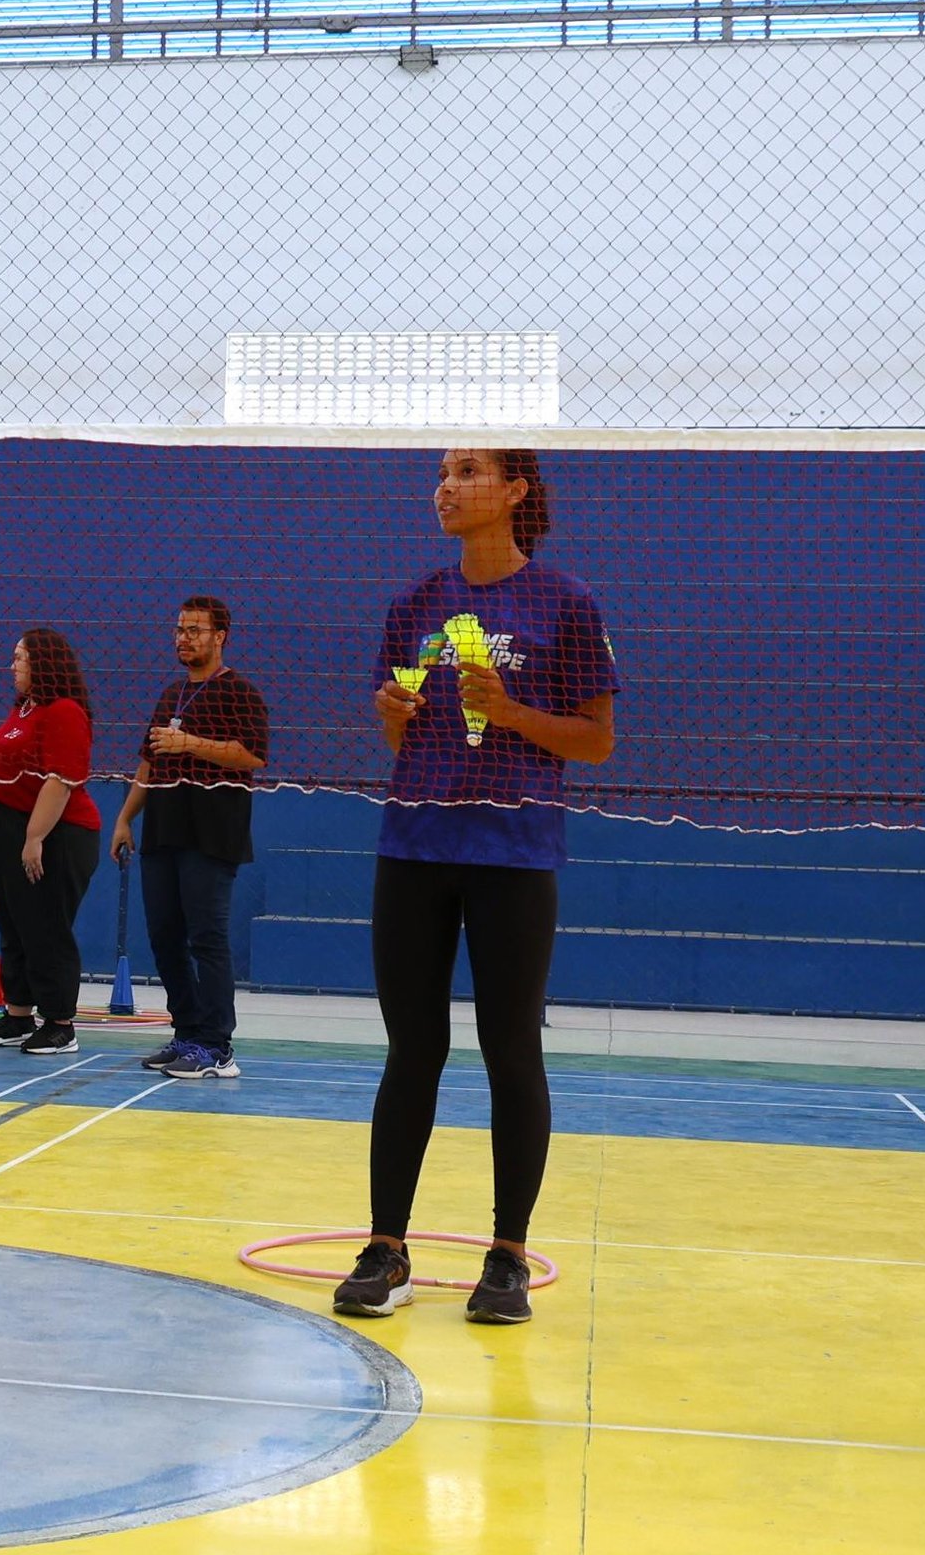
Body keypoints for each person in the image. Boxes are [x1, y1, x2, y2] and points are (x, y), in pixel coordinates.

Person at [336, 450, 619, 1329]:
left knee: (510, 1052)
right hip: (415, 842)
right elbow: (398, 734)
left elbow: (596, 741)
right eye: (443, 472)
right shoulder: (415, 602)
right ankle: (387, 1249)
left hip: (514, 852)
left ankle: (505, 1257)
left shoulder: (565, 604)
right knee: (409, 1051)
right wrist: (392, 719)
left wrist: (512, 714)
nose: (446, 487)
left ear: (515, 492)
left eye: (467, 471)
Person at [108, 595, 269, 1082]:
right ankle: (188, 1032)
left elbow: (253, 756)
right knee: (164, 937)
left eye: (195, 630)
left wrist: (191, 743)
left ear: (220, 636)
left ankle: (218, 1046)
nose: (184, 638)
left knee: (207, 937)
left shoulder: (239, 693)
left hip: (212, 835)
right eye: (180, 629)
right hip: (163, 831)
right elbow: (148, 762)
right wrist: (124, 819)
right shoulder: (170, 695)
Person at [0, 629, 100, 1059]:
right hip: (7, 837)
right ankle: (18, 1015)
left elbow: (60, 780)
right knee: (15, 926)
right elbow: (19, 757)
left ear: (42, 663)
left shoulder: (64, 711)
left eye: (19, 658)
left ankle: (60, 1024)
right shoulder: (26, 708)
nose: (12, 666)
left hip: (57, 837)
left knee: (46, 928)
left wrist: (34, 838)